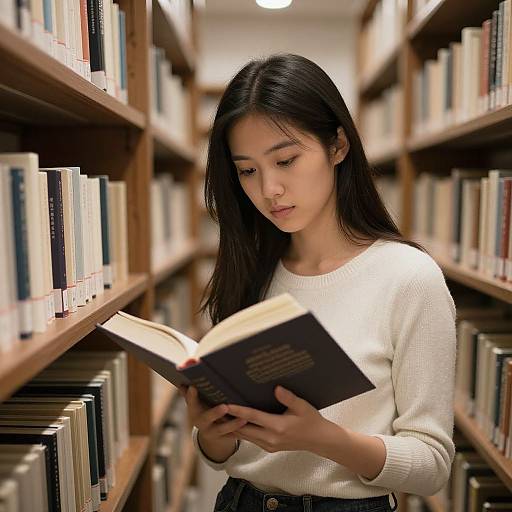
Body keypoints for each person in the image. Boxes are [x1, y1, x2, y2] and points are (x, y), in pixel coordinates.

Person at [179, 53, 456, 512]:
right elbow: (225, 458)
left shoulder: (408, 278)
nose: (269, 189)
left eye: (286, 160)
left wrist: (326, 440)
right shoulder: (251, 270)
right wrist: (212, 437)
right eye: (247, 170)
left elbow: (432, 465)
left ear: (338, 146)